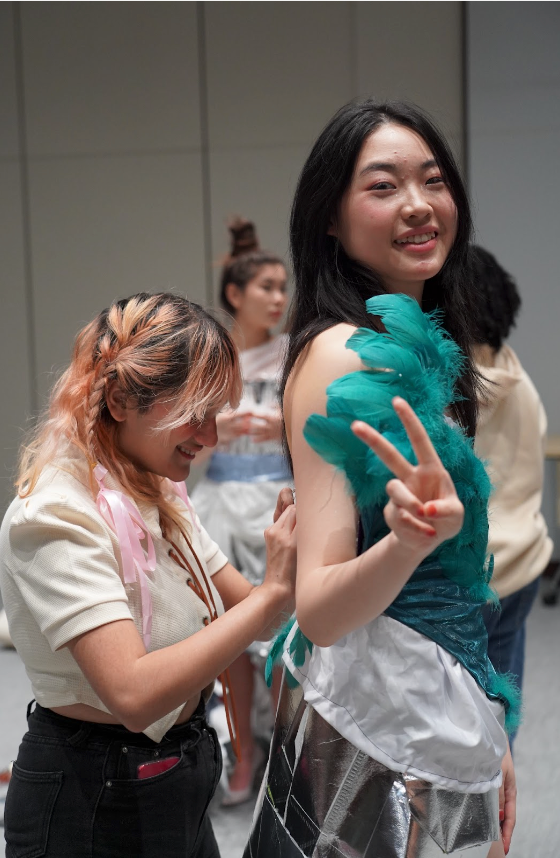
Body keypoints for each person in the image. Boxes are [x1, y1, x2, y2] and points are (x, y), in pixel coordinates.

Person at [244, 100, 517, 858]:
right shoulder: (340, 354)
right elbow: (323, 609)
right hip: (372, 740)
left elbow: (456, 586)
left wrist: (492, 722)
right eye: (383, 186)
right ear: (329, 219)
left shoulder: (420, 344)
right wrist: (405, 542)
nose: (419, 205)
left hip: (433, 708)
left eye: (433, 180)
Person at [0, 292, 296, 858]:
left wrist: (305, 549)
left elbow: (254, 616)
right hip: (92, 797)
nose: (211, 437)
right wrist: (274, 593)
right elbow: (132, 694)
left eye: (218, 414)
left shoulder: (156, 487)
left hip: (176, 772)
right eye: (197, 413)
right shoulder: (55, 513)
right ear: (118, 399)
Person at [191, 218, 290, 805]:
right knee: (232, 641)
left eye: (283, 287)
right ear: (236, 294)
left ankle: (283, 760)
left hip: (278, 499)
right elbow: (181, 430)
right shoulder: (211, 351)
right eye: (266, 288)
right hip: (222, 502)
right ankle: (244, 760)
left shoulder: (296, 354)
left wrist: (285, 425)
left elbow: (321, 429)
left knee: (282, 641)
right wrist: (221, 426)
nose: (279, 298)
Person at [471, 245, 552, 745]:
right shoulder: (517, 379)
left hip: (464, 577)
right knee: (501, 713)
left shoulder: (442, 392)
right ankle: (499, 817)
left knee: (450, 738)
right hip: (522, 563)